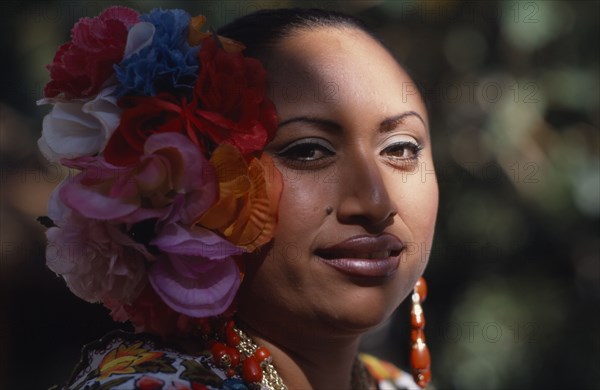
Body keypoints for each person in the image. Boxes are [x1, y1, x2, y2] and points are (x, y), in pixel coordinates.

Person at [39, 6, 438, 390]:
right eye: (308, 151)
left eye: (401, 148)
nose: (375, 202)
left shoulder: (392, 382)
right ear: (195, 185)